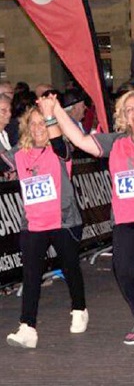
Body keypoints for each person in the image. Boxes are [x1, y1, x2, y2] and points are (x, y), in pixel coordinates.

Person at [40, 77, 134, 346]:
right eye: (128, 110)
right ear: (123, 117)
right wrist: (56, 109)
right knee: (124, 271)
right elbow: (81, 141)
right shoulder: (115, 142)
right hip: (126, 219)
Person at [1, 106, 88, 349]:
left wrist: (52, 116)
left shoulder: (61, 150)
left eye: (44, 123)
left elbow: (60, 144)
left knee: (70, 267)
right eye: (34, 124)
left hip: (64, 221)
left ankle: (79, 308)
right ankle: (27, 327)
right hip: (33, 224)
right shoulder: (20, 153)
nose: (39, 128)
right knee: (31, 275)